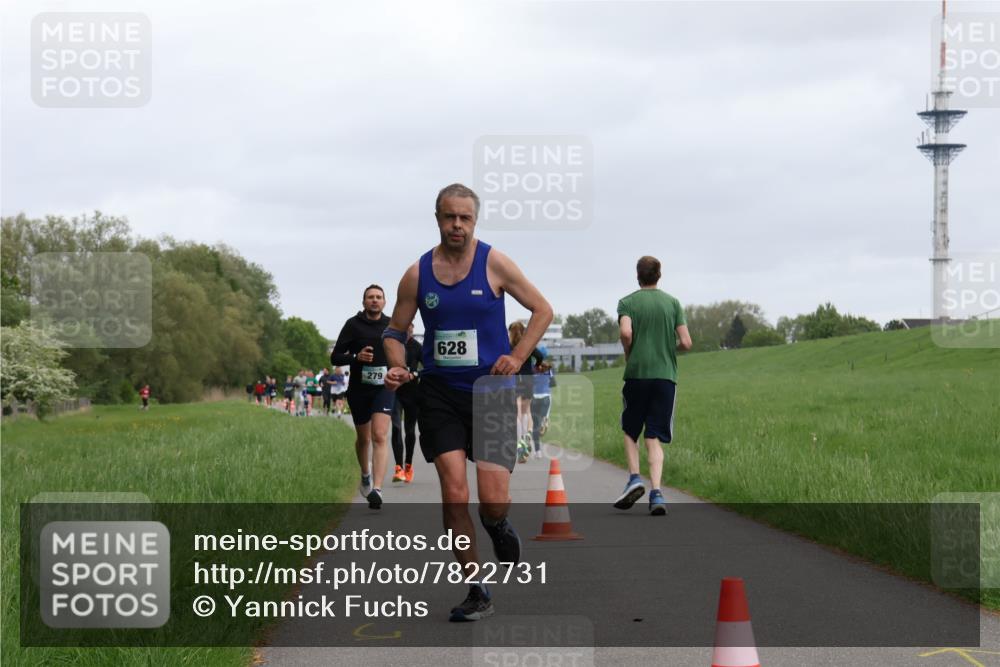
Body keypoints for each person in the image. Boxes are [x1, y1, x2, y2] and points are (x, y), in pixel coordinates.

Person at [384, 183, 552, 622]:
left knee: (492, 501)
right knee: (454, 494)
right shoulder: (417, 274)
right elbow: (394, 331)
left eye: (465, 218)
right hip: (439, 393)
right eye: (449, 217)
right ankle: (477, 588)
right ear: (437, 218)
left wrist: (518, 357)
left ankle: (496, 524)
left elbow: (542, 310)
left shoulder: (494, 263)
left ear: (474, 220)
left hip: (491, 392)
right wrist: (398, 365)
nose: (456, 225)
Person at [614, 255, 693, 516]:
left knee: (630, 429)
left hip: (637, 374)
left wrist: (629, 351)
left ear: (638, 275)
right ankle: (657, 492)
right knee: (654, 435)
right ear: (659, 275)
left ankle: (634, 478)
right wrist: (668, 349)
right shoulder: (673, 303)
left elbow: (626, 332)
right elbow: (686, 342)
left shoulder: (627, 302)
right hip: (665, 376)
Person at [330, 285, 395, 509]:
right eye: (370, 297)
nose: (375, 300)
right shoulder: (353, 325)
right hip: (359, 389)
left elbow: (402, 352)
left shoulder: (392, 325)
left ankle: (377, 489)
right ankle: (365, 474)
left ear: (384, 302)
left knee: (379, 435)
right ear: (364, 302)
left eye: (379, 297)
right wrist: (356, 357)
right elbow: (335, 357)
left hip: (384, 388)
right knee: (364, 439)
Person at [390, 323, 422, 483]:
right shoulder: (392, 344)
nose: (407, 330)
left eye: (409, 328)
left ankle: (408, 465)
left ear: (412, 329)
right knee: (396, 427)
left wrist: (414, 374)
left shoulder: (417, 346)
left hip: (412, 393)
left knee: (409, 431)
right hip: (395, 391)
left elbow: (429, 367)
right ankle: (398, 468)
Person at [508, 321, 544, 463]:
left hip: (515, 380)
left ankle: (519, 443)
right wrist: (536, 365)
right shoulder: (528, 345)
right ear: (524, 331)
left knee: (516, 412)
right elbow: (540, 356)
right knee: (527, 411)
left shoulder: (508, 346)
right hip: (528, 380)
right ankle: (527, 434)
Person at [530, 360, 555, 459]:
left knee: (535, 425)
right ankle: (544, 420)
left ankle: (538, 452)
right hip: (545, 397)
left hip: (534, 398)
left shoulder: (532, 369)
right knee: (541, 420)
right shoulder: (548, 370)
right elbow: (553, 383)